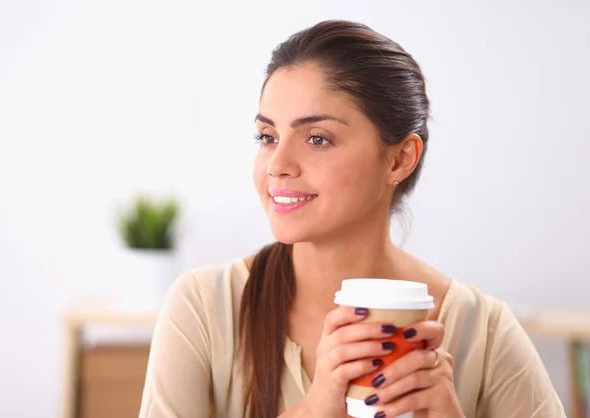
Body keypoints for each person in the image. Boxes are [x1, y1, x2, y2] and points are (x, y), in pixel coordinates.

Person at [139, 20, 565, 418]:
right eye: (268, 137)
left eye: (317, 138)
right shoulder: (203, 308)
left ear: (400, 158)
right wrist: (316, 405)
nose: (278, 165)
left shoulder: (482, 330)